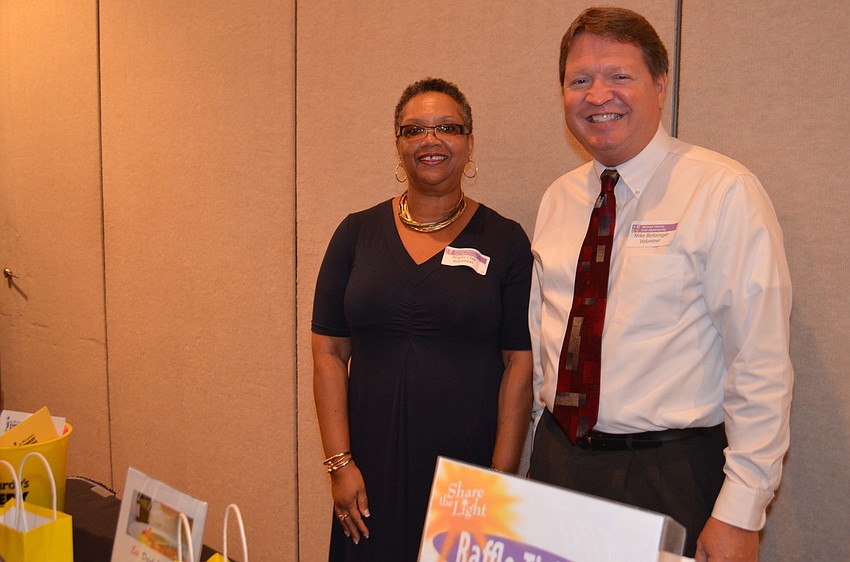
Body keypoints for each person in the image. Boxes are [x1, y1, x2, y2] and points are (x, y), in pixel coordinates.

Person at [528, 7, 793, 561]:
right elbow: (546, 339)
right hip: (558, 462)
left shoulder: (722, 191)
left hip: (668, 474)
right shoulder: (558, 199)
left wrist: (740, 512)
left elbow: (760, 364)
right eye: (580, 80)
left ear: (660, 83)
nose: (598, 95)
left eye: (619, 75)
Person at [312, 77, 533, 561]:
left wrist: (499, 480)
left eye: (447, 127)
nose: (431, 140)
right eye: (414, 130)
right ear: (398, 145)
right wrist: (339, 464)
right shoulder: (355, 234)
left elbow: (519, 363)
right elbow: (328, 351)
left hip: (465, 474)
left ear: (470, 142)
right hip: (368, 469)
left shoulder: (506, 240)